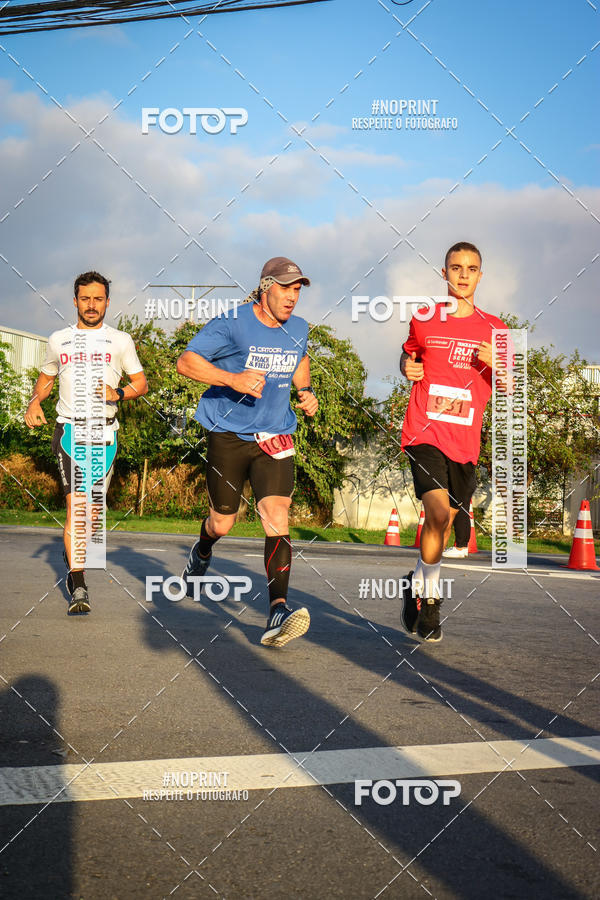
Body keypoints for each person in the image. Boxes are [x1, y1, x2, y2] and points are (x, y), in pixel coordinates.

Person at [176, 257, 318, 648]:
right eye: (286, 288)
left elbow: (300, 360)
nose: (293, 296)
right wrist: (232, 378)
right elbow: (186, 362)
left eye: (298, 289)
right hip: (229, 433)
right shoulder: (232, 324)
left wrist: (305, 392)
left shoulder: (300, 328)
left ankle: (277, 611)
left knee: (277, 513)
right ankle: (203, 548)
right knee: (223, 522)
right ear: (265, 287)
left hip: (275, 434)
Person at [399, 242, 505, 641]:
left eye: (471, 268)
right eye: (456, 267)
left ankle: (416, 582)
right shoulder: (424, 319)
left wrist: (499, 365)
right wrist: (406, 367)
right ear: (444, 273)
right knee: (438, 514)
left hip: (464, 442)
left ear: (480, 275)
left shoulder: (496, 329)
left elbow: (514, 388)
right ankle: (431, 600)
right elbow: (409, 357)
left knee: (442, 530)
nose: (463, 274)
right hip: (424, 431)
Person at [25, 271, 148, 614]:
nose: (91, 305)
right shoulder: (58, 340)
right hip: (70, 432)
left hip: (105, 433)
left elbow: (141, 383)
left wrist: (118, 392)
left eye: (98, 299)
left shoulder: (121, 341)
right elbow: (46, 378)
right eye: (85, 298)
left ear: (107, 302)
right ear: (75, 300)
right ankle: (78, 583)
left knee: (92, 516)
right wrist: (34, 401)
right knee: (76, 508)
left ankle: (76, 561)